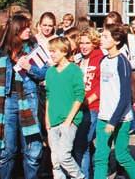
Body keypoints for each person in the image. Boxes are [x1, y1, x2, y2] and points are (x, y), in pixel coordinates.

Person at [0, 14, 47, 179]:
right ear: (15, 30)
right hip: (6, 101)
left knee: (31, 150)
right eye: (24, 28)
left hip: (28, 98)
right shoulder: (1, 51)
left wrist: (30, 68)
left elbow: (45, 72)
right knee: (7, 151)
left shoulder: (33, 48)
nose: (28, 31)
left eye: (29, 27)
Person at [93, 25, 135, 179]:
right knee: (100, 157)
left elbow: (125, 95)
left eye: (105, 36)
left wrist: (113, 121)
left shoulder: (122, 61)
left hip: (120, 118)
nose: (102, 39)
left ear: (117, 40)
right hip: (103, 116)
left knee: (122, 155)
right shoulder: (103, 60)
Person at [45, 37, 86, 179]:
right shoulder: (50, 72)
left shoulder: (74, 70)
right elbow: (48, 96)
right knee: (55, 161)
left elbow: (79, 96)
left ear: (63, 51)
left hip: (68, 120)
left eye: (54, 51)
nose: (51, 54)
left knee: (63, 156)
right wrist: (47, 119)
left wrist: (69, 120)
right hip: (53, 119)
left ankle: (80, 177)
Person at [73, 28, 103, 179]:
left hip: (92, 107)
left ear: (94, 43)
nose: (84, 46)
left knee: (81, 145)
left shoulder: (100, 58)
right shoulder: (79, 59)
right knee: (83, 145)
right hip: (79, 107)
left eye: (87, 43)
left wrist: (90, 99)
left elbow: (102, 84)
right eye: (81, 43)